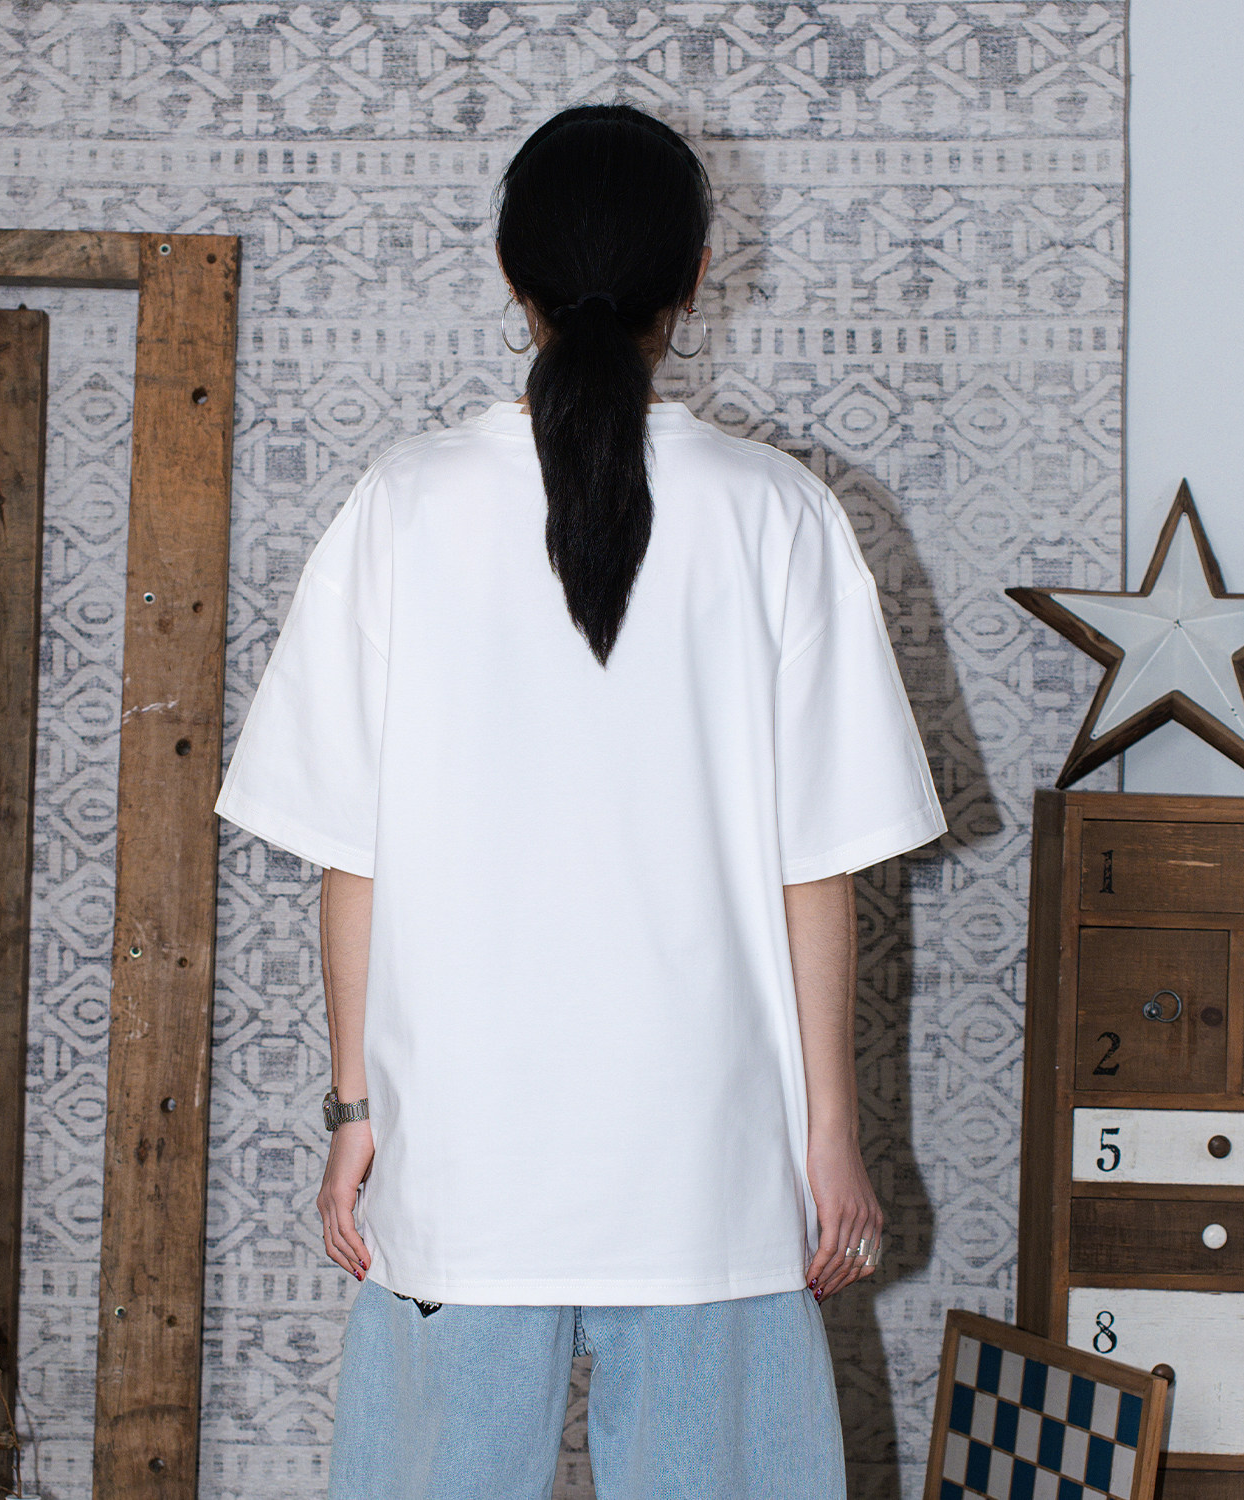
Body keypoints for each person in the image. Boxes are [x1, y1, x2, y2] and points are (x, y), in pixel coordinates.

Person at [214, 102, 945, 1500]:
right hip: (712, 1165)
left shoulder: (401, 505)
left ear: (512, 273)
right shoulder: (780, 511)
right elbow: (817, 867)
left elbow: (353, 860)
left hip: (463, 1161)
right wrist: (829, 1139)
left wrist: (354, 1112)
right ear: (698, 276)